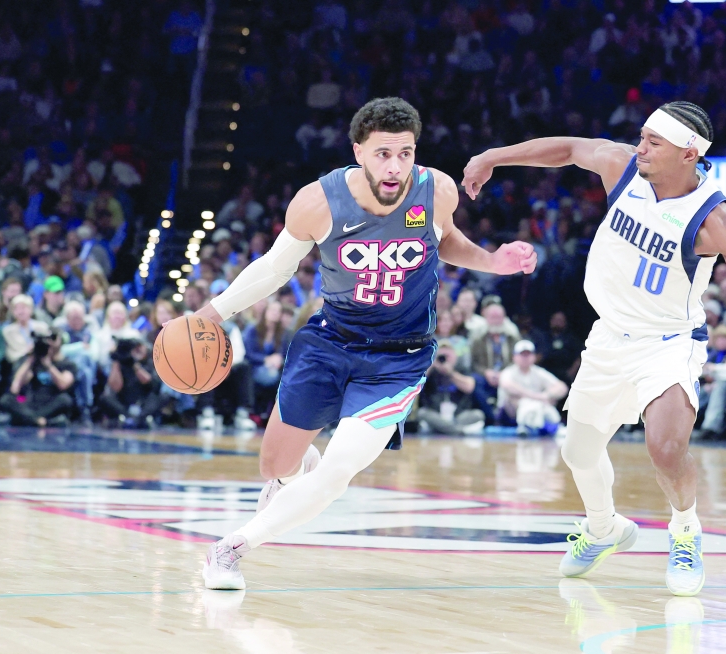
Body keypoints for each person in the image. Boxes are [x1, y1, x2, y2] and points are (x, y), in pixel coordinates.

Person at [462, 100, 726, 596]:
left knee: (666, 448)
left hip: (668, 343)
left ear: (689, 154)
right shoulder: (623, 168)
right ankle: (604, 528)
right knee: (578, 451)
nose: (641, 146)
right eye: (643, 136)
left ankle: (686, 531)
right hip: (608, 336)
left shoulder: (718, 222)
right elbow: (567, 149)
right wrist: (494, 155)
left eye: (654, 141)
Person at [199, 98, 536, 589]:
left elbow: (445, 241)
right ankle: (296, 478)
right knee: (276, 465)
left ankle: (229, 549)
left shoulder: (437, 189)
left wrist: (493, 261)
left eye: (405, 153)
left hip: (399, 358)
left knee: (339, 469)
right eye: (383, 154)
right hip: (330, 341)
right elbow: (274, 268)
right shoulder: (317, 201)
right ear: (358, 151)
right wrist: (209, 314)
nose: (396, 165)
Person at [0, 330, 76, 427]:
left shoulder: (67, 364)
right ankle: (40, 421)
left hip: (50, 404)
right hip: (29, 403)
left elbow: (63, 385)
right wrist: (30, 359)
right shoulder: (30, 361)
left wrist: (48, 365)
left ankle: (27, 419)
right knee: (6, 399)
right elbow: (15, 388)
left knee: (65, 400)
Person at [497, 340, 569, 434]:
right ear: (514, 357)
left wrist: (547, 395)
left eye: (528, 354)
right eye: (522, 354)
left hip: (538, 408)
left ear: (534, 356)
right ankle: (525, 425)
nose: (525, 358)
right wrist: (537, 397)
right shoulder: (508, 372)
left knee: (544, 408)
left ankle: (553, 427)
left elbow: (562, 387)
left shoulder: (539, 372)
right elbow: (507, 385)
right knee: (526, 403)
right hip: (510, 413)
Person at [415, 340, 484, 434]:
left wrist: (450, 373)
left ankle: (444, 428)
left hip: (458, 416)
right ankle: (457, 431)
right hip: (436, 414)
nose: (444, 359)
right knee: (421, 413)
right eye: (441, 356)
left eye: (448, 356)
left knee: (478, 414)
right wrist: (431, 364)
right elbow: (416, 384)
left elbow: (469, 387)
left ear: (455, 356)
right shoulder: (431, 372)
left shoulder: (461, 369)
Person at [97, 338, 167, 429]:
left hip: (144, 400)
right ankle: (128, 417)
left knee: (162, 396)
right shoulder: (120, 363)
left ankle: (140, 418)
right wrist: (116, 361)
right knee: (105, 397)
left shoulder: (150, 361)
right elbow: (115, 387)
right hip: (124, 401)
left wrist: (135, 364)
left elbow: (151, 383)